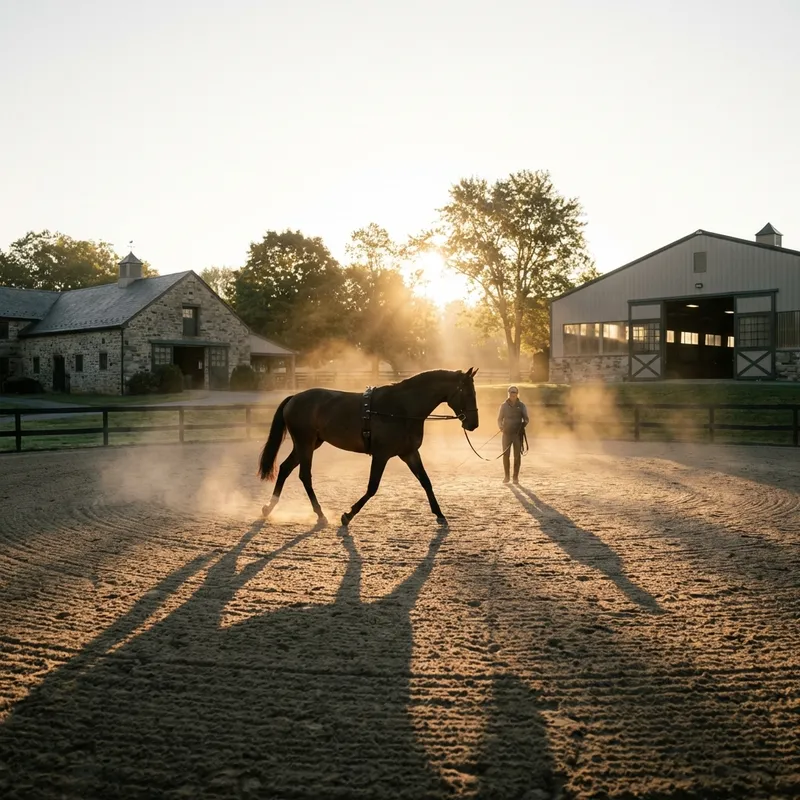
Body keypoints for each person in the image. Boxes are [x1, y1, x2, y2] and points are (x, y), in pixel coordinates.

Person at [497, 385, 528, 484]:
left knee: (517, 456)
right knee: (506, 455)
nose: (513, 394)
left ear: (517, 394)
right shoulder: (503, 406)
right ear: (509, 393)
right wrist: (501, 427)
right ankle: (506, 476)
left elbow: (526, 419)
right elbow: (499, 419)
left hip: (517, 434)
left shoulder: (522, 405)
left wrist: (522, 425)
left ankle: (515, 477)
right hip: (506, 433)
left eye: (514, 392)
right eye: (511, 392)